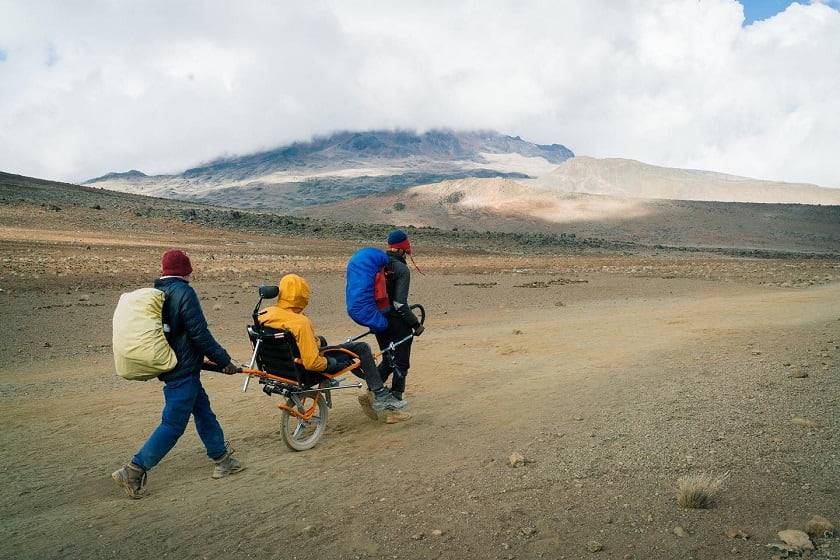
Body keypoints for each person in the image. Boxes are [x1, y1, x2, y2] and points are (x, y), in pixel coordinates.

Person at [112, 249, 243, 499]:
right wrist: (224, 361)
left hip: (176, 366)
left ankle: (222, 459)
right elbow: (199, 334)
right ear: (187, 270)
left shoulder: (159, 292)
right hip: (181, 371)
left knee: (203, 412)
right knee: (173, 424)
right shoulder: (184, 292)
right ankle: (134, 470)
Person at [258, 274, 407, 413]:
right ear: (302, 296)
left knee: (321, 340)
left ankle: (369, 380)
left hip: (279, 366)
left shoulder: (265, 314)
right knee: (361, 348)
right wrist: (331, 363)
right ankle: (380, 394)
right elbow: (312, 363)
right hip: (305, 369)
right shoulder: (300, 322)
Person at [371, 229, 424, 403]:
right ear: (404, 248)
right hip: (396, 322)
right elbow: (400, 304)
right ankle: (395, 401)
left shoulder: (379, 265)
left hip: (378, 320)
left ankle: (372, 392)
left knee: (388, 357)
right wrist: (415, 324)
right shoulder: (401, 269)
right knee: (401, 362)